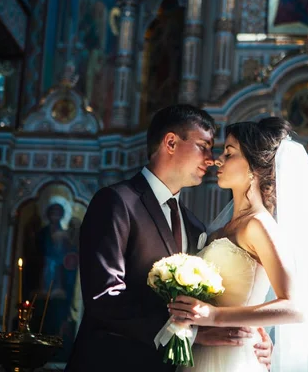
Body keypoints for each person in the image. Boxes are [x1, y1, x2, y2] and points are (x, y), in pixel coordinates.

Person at [66, 104, 273, 372]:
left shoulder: (195, 227)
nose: (211, 159)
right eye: (203, 146)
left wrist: (256, 339)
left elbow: (209, 303)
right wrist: (190, 334)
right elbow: (103, 296)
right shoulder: (117, 202)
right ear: (171, 142)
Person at [169, 117, 308, 371]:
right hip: (202, 353)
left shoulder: (258, 225)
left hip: (233, 360)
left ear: (253, 168)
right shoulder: (219, 229)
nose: (218, 160)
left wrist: (215, 315)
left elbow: (294, 307)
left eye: (230, 153)